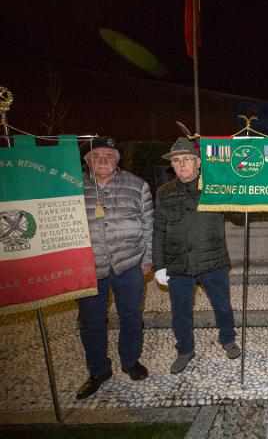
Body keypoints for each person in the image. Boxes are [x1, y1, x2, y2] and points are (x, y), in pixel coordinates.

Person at [153, 137, 240, 374]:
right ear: (172, 165)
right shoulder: (164, 192)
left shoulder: (214, 187)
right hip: (178, 263)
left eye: (187, 159)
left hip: (212, 261)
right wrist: (159, 265)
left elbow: (238, 217)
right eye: (177, 160)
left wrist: (235, 190)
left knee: (222, 306)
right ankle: (184, 350)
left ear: (198, 162)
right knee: (180, 312)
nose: (182, 164)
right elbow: (159, 230)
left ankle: (228, 340)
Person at [76, 137, 153, 400]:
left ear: (117, 160)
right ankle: (98, 370)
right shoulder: (73, 187)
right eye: (97, 156)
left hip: (129, 262)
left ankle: (130, 361)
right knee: (91, 321)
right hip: (88, 267)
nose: (104, 160)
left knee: (131, 315)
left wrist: (147, 259)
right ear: (87, 161)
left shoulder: (137, 185)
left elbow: (148, 225)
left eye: (109, 155)